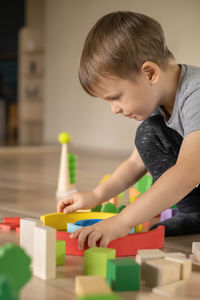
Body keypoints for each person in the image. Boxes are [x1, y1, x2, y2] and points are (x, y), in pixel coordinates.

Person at [57, 11, 200, 250]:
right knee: (147, 135)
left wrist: (122, 221)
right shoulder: (157, 101)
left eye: (116, 97)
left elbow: (189, 171)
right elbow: (135, 163)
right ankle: (195, 212)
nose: (114, 109)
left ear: (150, 73)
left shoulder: (195, 94)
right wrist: (95, 196)